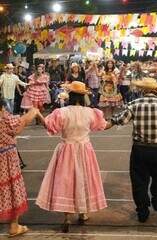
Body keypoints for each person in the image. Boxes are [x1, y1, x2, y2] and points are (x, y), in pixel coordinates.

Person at [36, 81, 112, 233]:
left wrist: (38, 114)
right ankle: (83, 213)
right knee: (84, 179)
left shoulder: (62, 112)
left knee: (66, 181)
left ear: (70, 96)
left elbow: (50, 126)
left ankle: (67, 218)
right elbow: (103, 125)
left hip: (66, 150)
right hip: (84, 149)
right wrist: (117, 120)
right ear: (83, 97)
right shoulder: (90, 112)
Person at [111, 78, 157, 223]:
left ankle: (142, 210)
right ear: (156, 91)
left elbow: (121, 120)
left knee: (139, 180)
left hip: (140, 148)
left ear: (143, 90)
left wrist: (110, 119)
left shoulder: (134, 104)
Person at [0, 100, 41, 236]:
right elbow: (19, 124)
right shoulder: (4, 117)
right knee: (11, 188)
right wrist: (33, 111)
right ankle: (14, 226)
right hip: (5, 158)